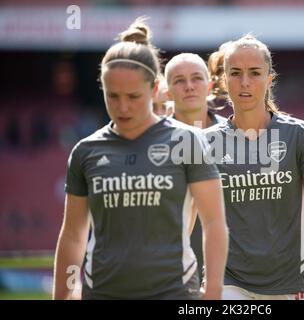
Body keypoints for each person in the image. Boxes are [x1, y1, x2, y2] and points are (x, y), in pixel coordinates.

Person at [52, 17, 228, 300]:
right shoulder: (85, 151)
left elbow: (214, 223)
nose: (123, 107)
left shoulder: (188, 141)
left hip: (175, 293)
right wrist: (64, 294)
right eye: (113, 96)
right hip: (103, 293)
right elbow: (73, 235)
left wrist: (214, 292)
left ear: (155, 89)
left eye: (133, 96)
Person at [204, 35, 304, 300]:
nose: (245, 82)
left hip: (288, 280)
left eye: (255, 73)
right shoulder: (207, 142)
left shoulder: (299, 134)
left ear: (269, 79)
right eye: (235, 73)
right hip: (228, 278)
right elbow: (194, 214)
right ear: (224, 80)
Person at [164, 52, 227, 281]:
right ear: (167, 91)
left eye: (196, 78)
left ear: (210, 85)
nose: (189, 86)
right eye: (179, 80)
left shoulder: (236, 137)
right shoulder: (150, 141)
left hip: (231, 278)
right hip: (167, 275)